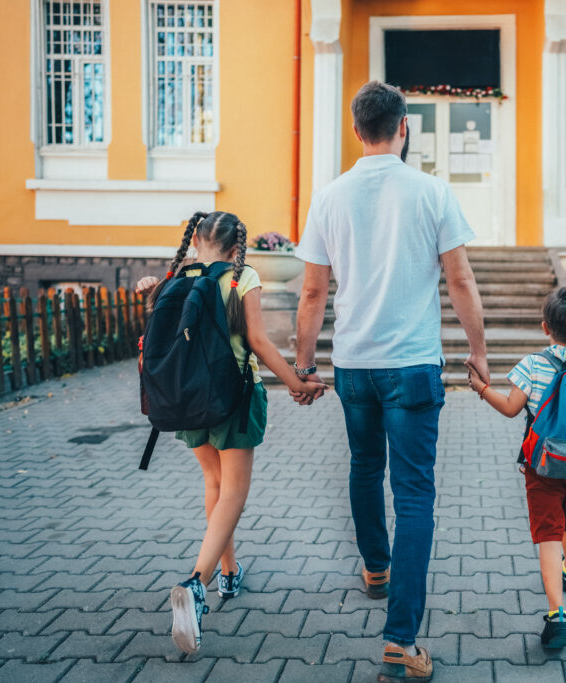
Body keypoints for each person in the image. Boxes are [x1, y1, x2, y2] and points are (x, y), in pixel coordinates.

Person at [292, 81, 487, 682]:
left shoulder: (328, 197)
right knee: (414, 494)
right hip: (413, 366)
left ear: (357, 131)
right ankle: (401, 642)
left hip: (355, 364)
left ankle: (376, 567)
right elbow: (458, 282)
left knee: (363, 469)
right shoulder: (432, 191)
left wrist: (303, 365)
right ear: (404, 129)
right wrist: (479, 352)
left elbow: (313, 291)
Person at [135, 211, 324, 655]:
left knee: (214, 484)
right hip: (235, 400)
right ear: (238, 247)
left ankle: (230, 572)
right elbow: (257, 341)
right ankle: (196, 585)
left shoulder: (178, 277)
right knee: (234, 492)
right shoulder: (242, 278)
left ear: (197, 238)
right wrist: (297, 381)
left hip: (188, 400)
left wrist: (149, 287)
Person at [468, 287, 566, 649]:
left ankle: (557, 615)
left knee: (549, 535)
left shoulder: (532, 365)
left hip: (542, 466)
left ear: (545, 327)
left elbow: (510, 407)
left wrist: (482, 388)